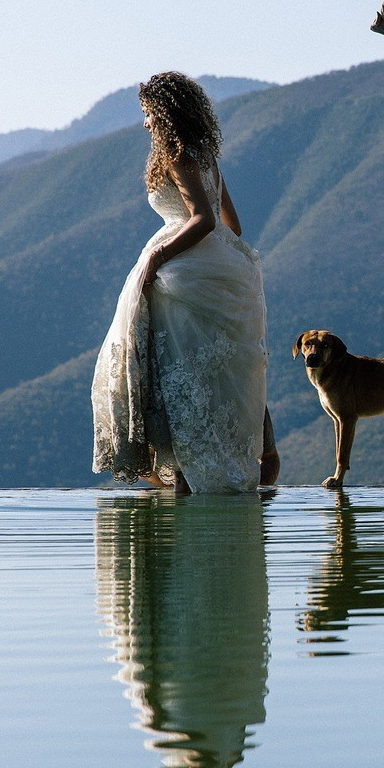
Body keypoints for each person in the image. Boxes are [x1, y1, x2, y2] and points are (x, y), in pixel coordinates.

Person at [93, 71, 279, 492]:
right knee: (206, 375)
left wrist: (157, 258)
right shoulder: (206, 154)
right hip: (215, 267)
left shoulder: (179, 156)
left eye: (147, 114)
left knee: (174, 371)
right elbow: (233, 225)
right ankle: (210, 470)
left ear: (163, 113)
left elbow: (204, 219)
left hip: (183, 272)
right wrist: (226, 265)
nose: (145, 124)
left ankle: (182, 475)